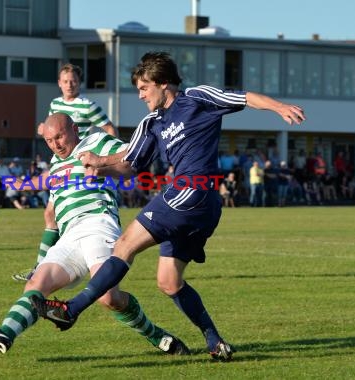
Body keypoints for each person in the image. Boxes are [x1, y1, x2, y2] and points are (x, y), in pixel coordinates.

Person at [32, 52, 305, 361]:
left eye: (144, 88)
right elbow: (131, 164)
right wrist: (102, 167)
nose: (140, 95)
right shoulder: (151, 123)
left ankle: (72, 308)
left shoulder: (197, 98)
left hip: (192, 191)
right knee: (169, 281)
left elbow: (244, 97)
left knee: (124, 245)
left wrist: (279, 107)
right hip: (198, 205)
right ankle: (215, 341)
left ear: (163, 84)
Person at [0, 113, 190, 356]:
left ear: (74, 129)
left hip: (98, 223)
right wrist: (19, 184)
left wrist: (102, 163)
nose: (56, 145)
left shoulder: (96, 142)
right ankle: (4, 334)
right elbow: (50, 198)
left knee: (109, 299)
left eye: (59, 136)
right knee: (37, 284)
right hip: (69, 235)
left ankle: (158, 337)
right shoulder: (56, 162)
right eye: (49, 141)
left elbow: (133, 156)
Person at [12, 63, 117, 281]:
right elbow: (52, 128)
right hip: (59, 163)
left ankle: (43, 268)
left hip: (80, 165)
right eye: (65, 81)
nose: (69, 85)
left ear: (79, 83)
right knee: (50, 214)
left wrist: (108, 158)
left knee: (56, 214)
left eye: (73, 81)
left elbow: (108, 127)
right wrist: (43, 130)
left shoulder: (87, 105)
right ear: (59, 83)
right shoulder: (55, 103)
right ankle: (42, 267)